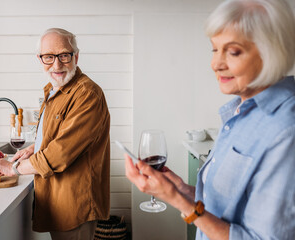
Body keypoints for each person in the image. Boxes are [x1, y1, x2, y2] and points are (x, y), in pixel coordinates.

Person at [125, 0, 295, 239]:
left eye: (233, 51)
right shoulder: (240, 110)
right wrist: (182, 190)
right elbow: (229, 206)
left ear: (273, 52)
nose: (216, 64)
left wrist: (178, 203)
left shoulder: (286, 130)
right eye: (215, 49)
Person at [0, 28, 111, 240]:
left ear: (76, 56)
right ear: (40, 59)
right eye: (49, 57)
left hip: (75, 205)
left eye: (64, 55)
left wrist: (13, 167)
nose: (57, 65)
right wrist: (31, 149)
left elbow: (59, 153)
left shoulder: (87, 94)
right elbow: (55, 134)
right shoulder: (54, 88)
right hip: (59, 203)